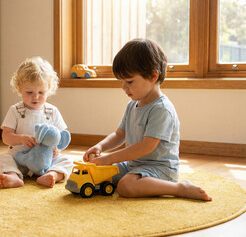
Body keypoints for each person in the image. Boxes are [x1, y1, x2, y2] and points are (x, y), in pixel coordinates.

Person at [83, 38, 211, 201]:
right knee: (100, 173)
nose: (123, 87)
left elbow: (146, 147)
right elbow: (119, 134)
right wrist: (100, 146)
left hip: (160, 169)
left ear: (152, 75)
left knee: (125, 186)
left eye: (129, 81)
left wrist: (111, 157)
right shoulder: (132, 105)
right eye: (121, 81)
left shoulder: (161, 109)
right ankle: (132, 178)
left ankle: (179, 188)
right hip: (134, 165)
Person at [0, 57, 73, 188]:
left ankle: (52, 174)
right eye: (29, 92)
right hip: (20, 160)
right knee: (2, 159)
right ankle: (14, 176)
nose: (35, 97)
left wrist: (56, 148)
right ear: (20, 89)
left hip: (46, 161)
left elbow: (61, 136)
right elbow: (6, 136)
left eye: (41, 92)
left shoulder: (52, 111)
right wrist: (21, 139)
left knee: (67, 160)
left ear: (49, 89)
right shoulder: (15, 110)